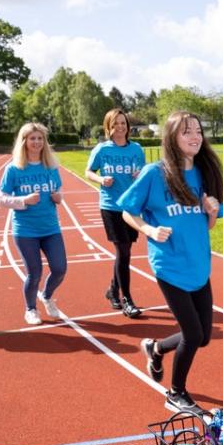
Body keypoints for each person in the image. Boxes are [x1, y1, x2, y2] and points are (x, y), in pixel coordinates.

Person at [118, 111, 223, 413]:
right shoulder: (156, 173)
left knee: (203, 337)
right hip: (169, 265)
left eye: (197, 131)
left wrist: (211, 211)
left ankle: (156, 347)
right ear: (171, 138)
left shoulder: (204, 174)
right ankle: (176, 393)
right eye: (186, 132)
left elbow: (208, 226)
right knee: (192, 334)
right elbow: (128, 210)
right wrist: (149, 229)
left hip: (199, 265)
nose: (194, 137)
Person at [0, 122, 67, 326]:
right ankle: (30, 309)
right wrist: (23, 200)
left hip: (51, 227)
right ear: (24, 141)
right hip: (25, 230)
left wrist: (58, 197)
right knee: (34, 272)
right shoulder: (14, 169)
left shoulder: (51, 167)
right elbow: (1, 198)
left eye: (40, 138)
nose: (36, 142)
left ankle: (46, 296)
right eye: (32, 138)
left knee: (60, 268)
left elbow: (58, 193)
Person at [85, 108, 146, 318]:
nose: (120, 127)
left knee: (125, 250)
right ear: (109, 127)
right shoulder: (102, 150)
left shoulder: (137, 149)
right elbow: (89, 171)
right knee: (123, 251)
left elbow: (143, 174)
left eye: (123, 123)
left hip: (131, 206)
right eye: (116, 123)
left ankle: (112, 290)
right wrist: (101, 180)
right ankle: (126, 299)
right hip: (111, 206)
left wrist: (139, 175)